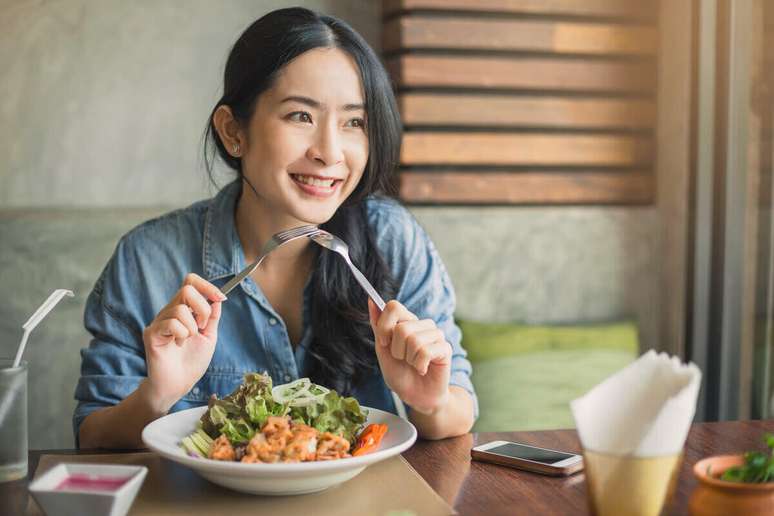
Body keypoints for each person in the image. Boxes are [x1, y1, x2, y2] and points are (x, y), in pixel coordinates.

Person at [74, 7, 477, 449]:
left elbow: (458, 411)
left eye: (354, 122)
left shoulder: (392, 238)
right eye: (300, 116)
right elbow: (94, 438)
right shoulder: (149, 258)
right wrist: (157, 395)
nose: (329, 151)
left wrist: (429, 401)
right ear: (233, 132)